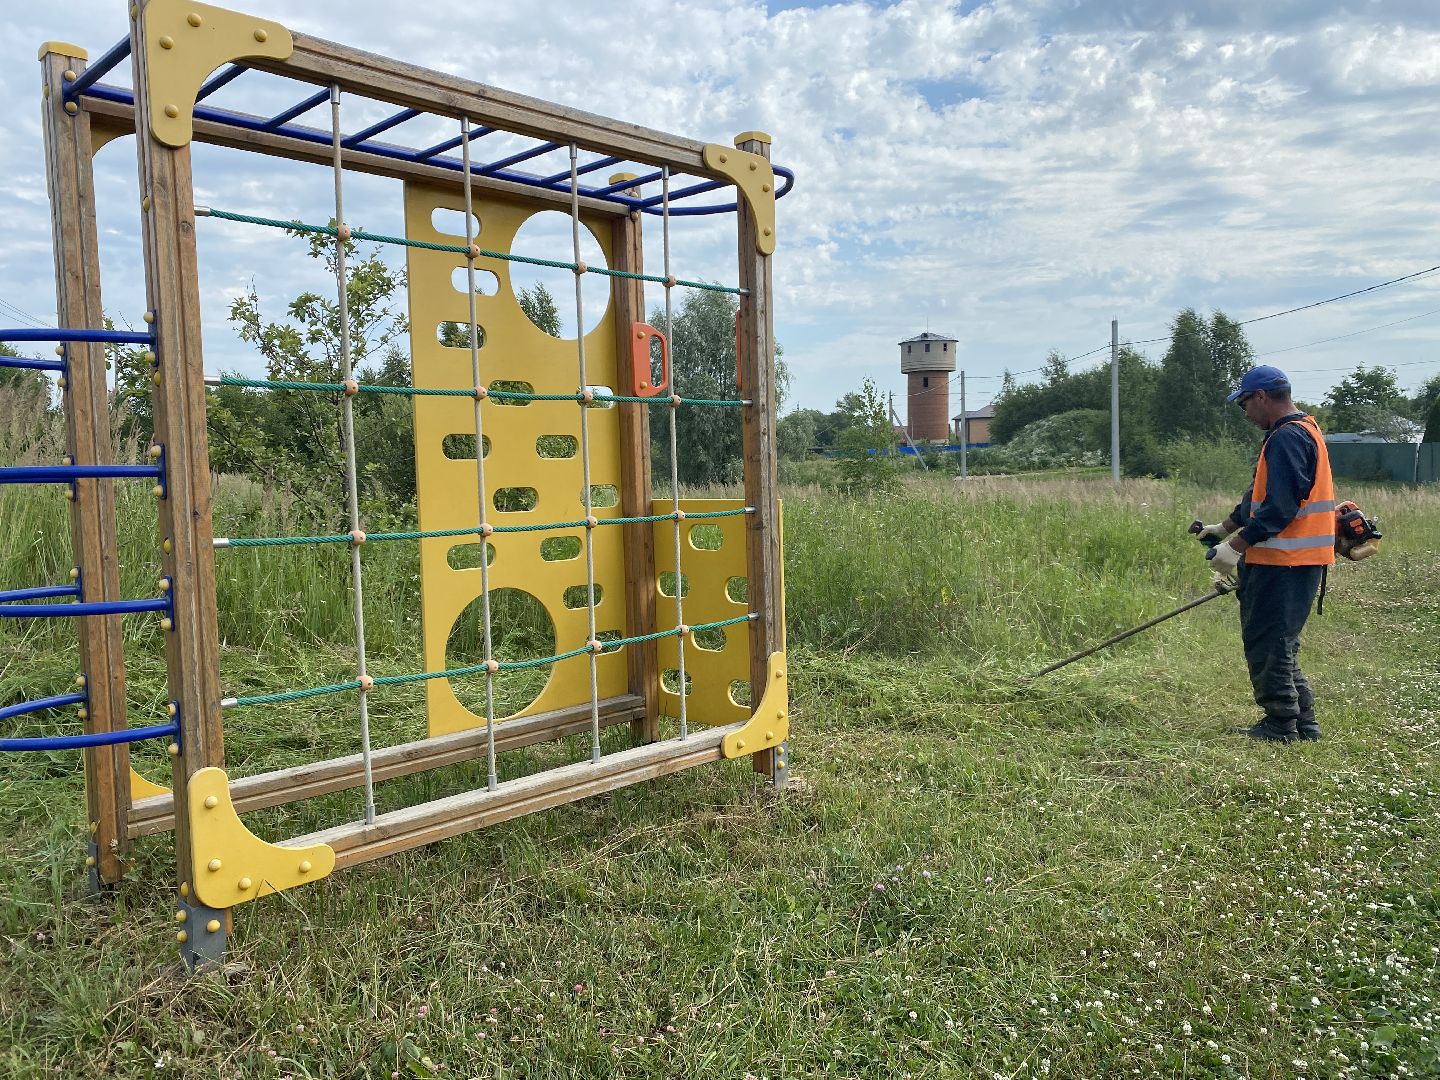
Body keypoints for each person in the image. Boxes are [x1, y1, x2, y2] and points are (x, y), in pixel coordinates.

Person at [1195, 364, 1335, 743]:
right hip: (1295, 562)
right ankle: (1303, 724)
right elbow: (1258, 496)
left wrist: (1235, 547)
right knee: (1282, 644)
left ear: (1260, 396)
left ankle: (1279, 725)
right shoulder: (1301, 430)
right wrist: (1223, 529)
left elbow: (1281, 506)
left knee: (1268, 643)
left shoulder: (1288, 437)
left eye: (1244, 404)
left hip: (1283, 563)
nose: (1244, 413)